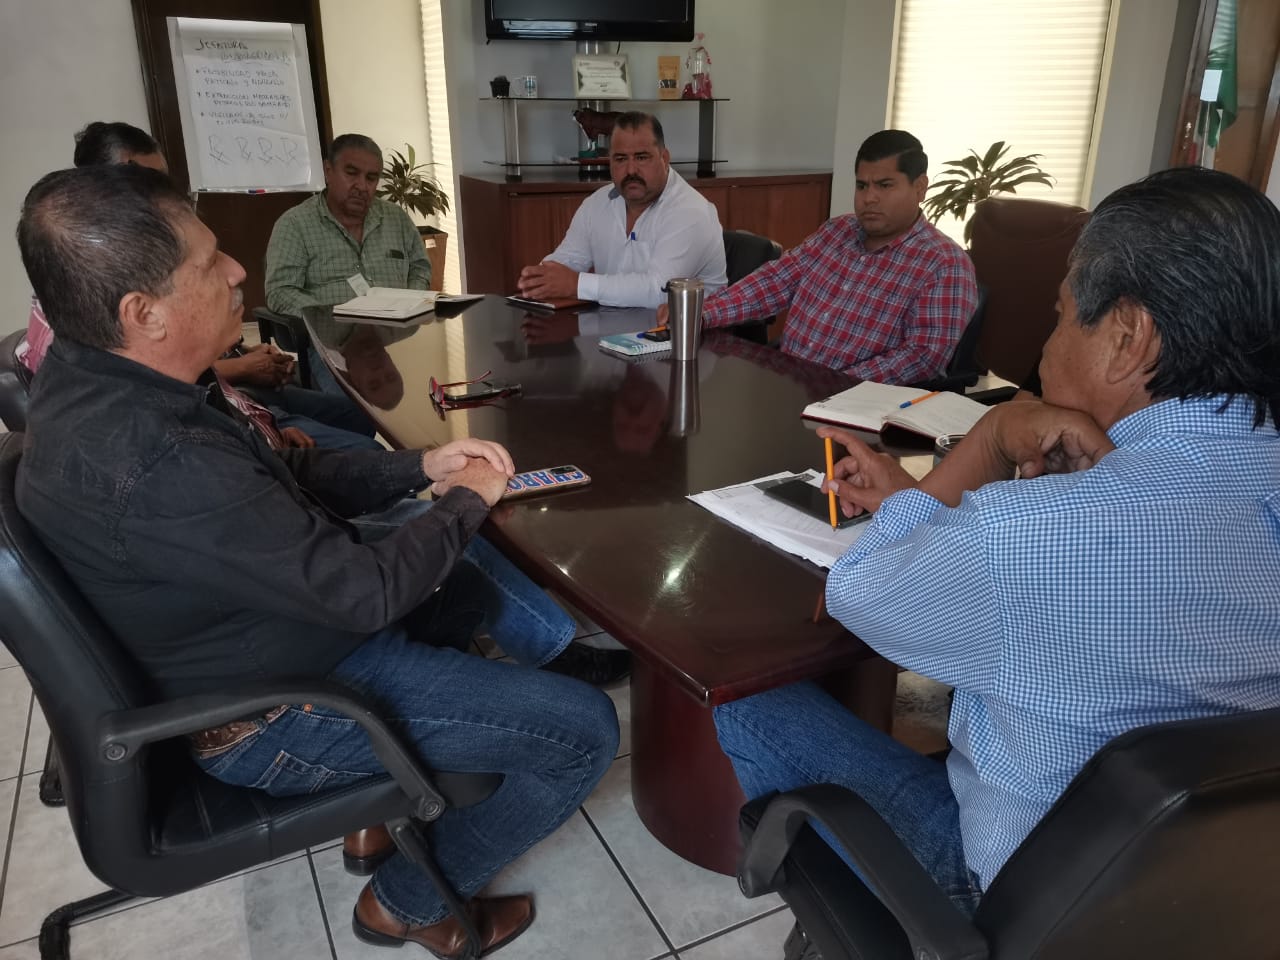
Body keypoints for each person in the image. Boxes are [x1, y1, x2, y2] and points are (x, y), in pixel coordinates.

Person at [16, 163, 620, 957]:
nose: (238, 271)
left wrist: (421, 468)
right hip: (277, 708)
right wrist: (468, 500)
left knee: (465, 581)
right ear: (144, 312)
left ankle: (384, 807)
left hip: (259, 638)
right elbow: (366, 593)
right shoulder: (158, 458)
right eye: (210, 263)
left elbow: (280, 474)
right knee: (584, 731)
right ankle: (404, 904)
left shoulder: (101, 379)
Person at [713, 166, 1280, 913]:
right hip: (1222, 894)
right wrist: (922, 502)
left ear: (1127, 336)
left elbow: (861, 594)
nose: (1045, 349)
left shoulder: (1037, 531)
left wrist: (988, 440)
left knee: (742, 695)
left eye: (1060, 316)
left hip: (1028, 902)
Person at [15, 120, 381, 452]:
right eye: (148, 184)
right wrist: (248, 383)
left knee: (361, 417)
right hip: (226, 420)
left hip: (237, 403)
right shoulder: (86, 297)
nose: (236, 273)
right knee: (365, 451)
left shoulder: (142, 261)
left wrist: (243, 355)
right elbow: (152, 394)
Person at [672, 130, 977, 384]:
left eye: (885, 186)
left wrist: (835, 386)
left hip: (855, 409)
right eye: (861, 185)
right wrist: (702, 314)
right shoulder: (837, 231)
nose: (869, 198)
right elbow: (775, 282)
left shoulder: (944, 264)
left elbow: (922, 357)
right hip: (788, 384)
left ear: (920, 187)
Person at [516, 112, 726, 308]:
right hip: (615, 327)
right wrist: (540, 278)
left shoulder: (690, 211)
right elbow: (568, 260)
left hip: (689, 332)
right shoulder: (596, 203)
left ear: (664, 158)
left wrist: (576, 284)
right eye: (620, 159)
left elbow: (660, 291)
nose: (631, 170)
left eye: (642, 157)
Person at [265, 133, 430, 316]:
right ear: (328, 171)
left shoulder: (397, 219)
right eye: (351, 174)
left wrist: (411, 306)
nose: (362, 186)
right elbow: (281, 292)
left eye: (371, 178)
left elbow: (420, 268)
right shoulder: (295, 225)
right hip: (331, 330)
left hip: (397, 327)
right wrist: (332, 317)